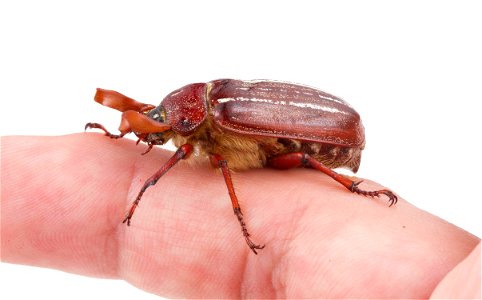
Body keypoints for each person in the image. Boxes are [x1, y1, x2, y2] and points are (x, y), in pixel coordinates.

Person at [1, 134, 480, 298]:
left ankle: (351, 188)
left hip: (322, 139)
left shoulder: (214, 132)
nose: (165, 138)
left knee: (299, 163)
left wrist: (144, 192)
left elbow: (193, 156)